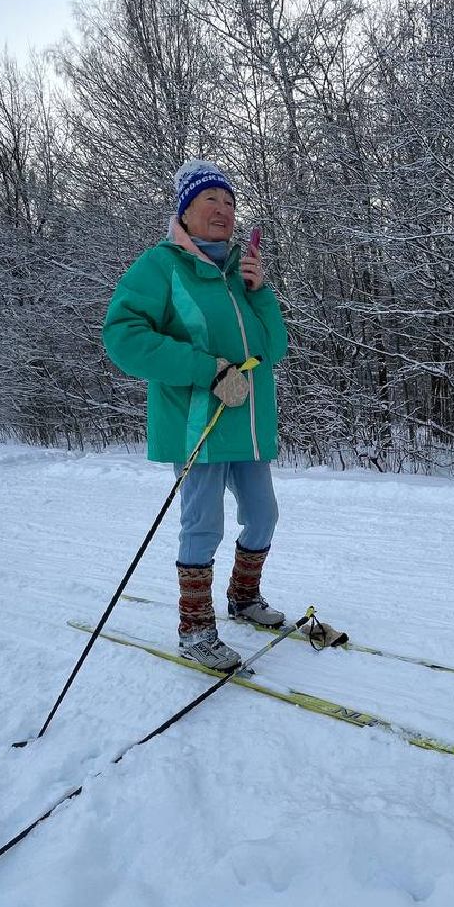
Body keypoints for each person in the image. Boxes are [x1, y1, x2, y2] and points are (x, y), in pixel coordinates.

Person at [102, 160, 290, 670]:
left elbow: (273, 348)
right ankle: (195, 628)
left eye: (230, 203)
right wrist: (206, 369)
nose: (224, 211)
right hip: (198, 420)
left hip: (248, 423)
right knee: (203, 523)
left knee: (263, 516)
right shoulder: (160, 266)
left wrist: (260, 291)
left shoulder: (237, 274)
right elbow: (123, 337)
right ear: (185, 209)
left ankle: (243, 598)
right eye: (212, 200)